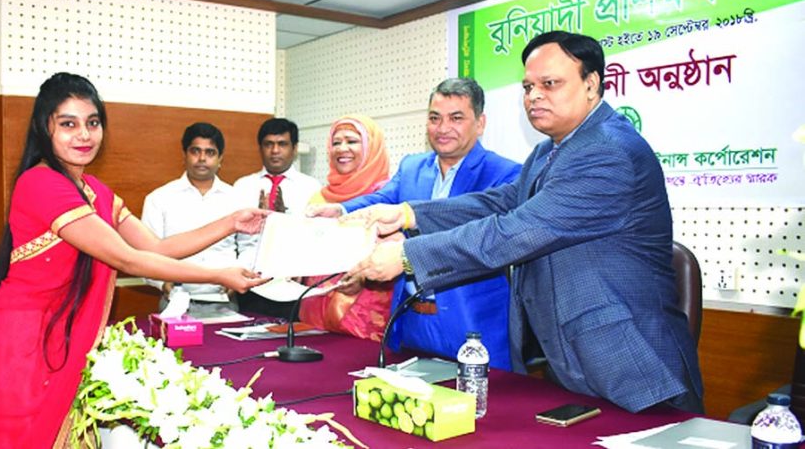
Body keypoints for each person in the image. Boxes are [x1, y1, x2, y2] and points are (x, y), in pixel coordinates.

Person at [346, 31, 704, 413]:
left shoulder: (607, 152)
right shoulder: (551, 149)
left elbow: (516, 230)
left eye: (550, 84)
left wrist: (406, 255)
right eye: (528, 86)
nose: (534, 96)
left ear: (591, 84)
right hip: (575, 357)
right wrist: (408, 213)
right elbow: (500, 201)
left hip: (631, 364)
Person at [0, 72, 268, 448]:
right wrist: (220, 275)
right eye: (68, 124)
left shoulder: (94, 191)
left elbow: (154, 248)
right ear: (44, 128)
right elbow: (128, 260)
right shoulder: (39, 183)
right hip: (22, 344)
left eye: (92, 123)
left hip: (60, 336)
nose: (84, 135)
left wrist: (230, 222)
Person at [309, 78, 521, 368]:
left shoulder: (505, 174)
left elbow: (482, 235)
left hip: (472, 325)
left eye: (456, 118)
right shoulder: (412, 166)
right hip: (410, 320)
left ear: (480, 123)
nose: (443, 128)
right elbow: (382, 200)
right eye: (435, 118)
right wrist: (340, 209)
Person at [297, 115, 392, 341]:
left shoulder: (387, 195)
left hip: (366, 317)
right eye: (336, 142)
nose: (342, 149)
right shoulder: (320, 197)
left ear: (371, 147)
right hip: (314, 316)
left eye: (352, 141)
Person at [141, 122, 240, 311]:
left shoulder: (237, 199)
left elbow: (250, 247)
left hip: (225, 300)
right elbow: (146, 254)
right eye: (195, 151)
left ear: (220, 159)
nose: (202, 158)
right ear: (185, 155)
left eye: (210, 152)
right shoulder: (159, 199)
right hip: (176, 303)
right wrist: (161, 283)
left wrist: (238, 276)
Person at [234, 117, 321, 317]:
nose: (275, 151)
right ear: (260, 148)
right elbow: (231, 240)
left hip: (293, 283)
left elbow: (315, 239)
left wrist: (283, 220)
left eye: (282, 144)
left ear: (295, 148)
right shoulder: (242, 186)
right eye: (268, 144)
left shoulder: (312, 188)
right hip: (250, 283)